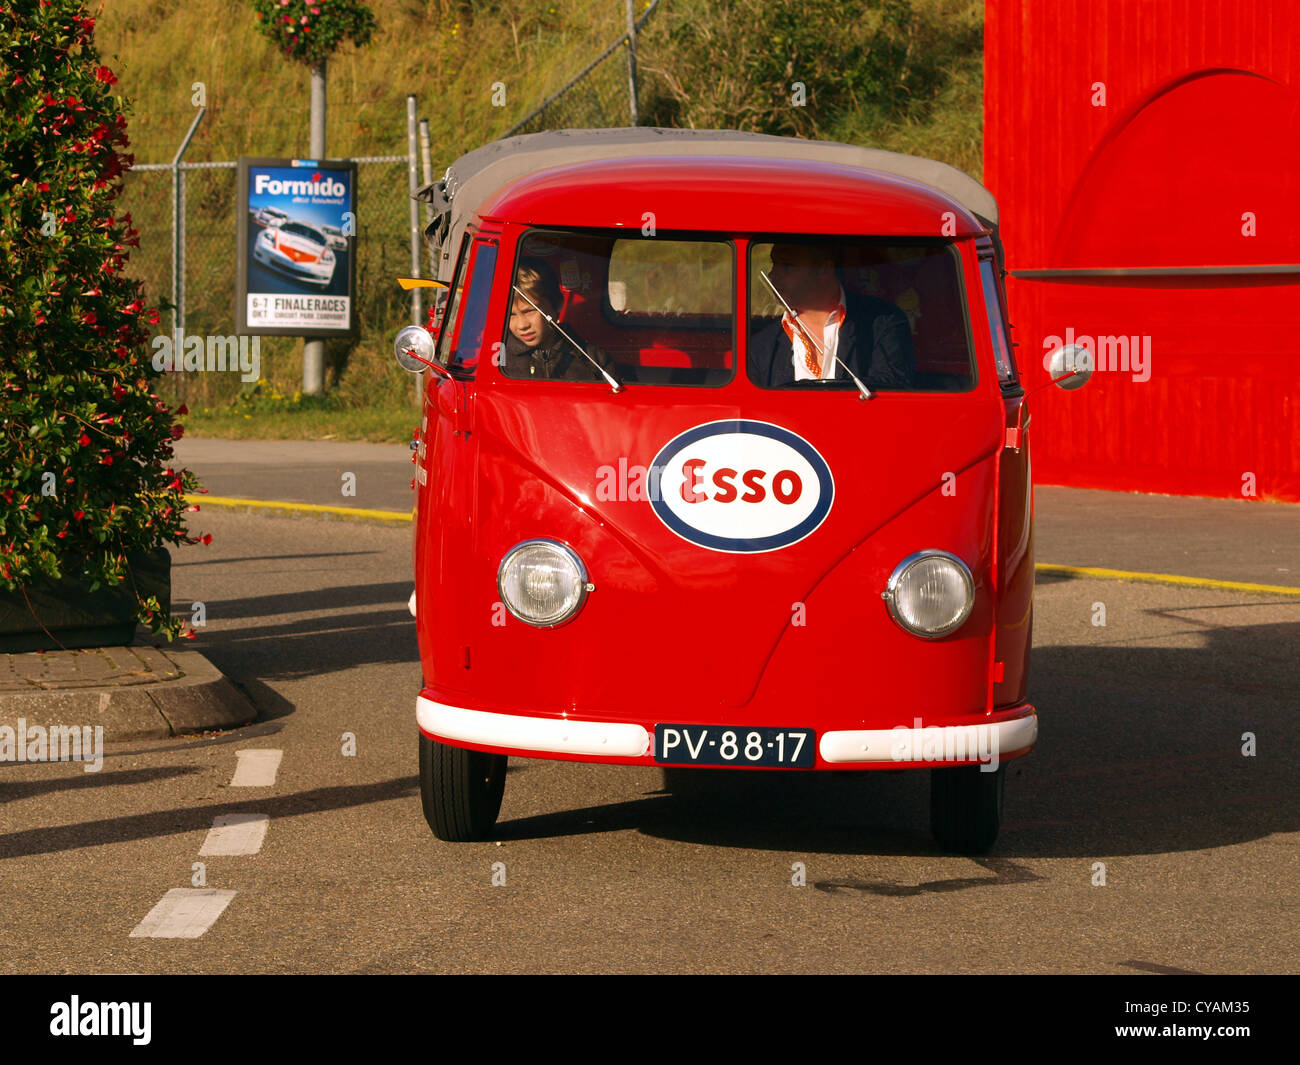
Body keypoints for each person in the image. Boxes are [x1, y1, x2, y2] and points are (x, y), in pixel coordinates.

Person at [748, 243, 915, 390]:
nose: (772, 275)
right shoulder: (762, 347)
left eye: (787, 266)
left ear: (824, 269)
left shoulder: (882, 323)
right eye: (774, 264)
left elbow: (893, 393)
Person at [502, 256, 617, 382]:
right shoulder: (499, 360)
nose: (522, 325)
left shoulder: (594, 359)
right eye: (512, 314)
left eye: (530, 311)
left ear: (557, 304)